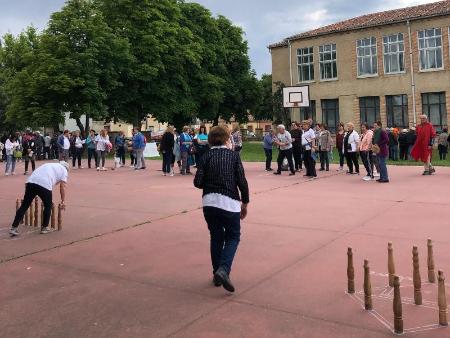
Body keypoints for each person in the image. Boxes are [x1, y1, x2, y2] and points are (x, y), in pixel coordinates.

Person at [193, 125, 249, 293]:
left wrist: (209, 181)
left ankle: (216, 274)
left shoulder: (206, 156)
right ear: (227, 139)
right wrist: (245, 203)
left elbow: (197, 182)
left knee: (216, 237)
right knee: (233, 236)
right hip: (229, 202)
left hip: (209, 202)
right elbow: (242, 181)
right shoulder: (233, 156)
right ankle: (224, 269)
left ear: (210, 140)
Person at [9, 161, 69, 236]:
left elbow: (35, 176)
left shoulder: (48, 164)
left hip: (30, 182)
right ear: (66, 168)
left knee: (24, 205)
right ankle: (44, 227)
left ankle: (13, 227)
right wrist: (63, 200)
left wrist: (31, 193)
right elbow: (62, 186)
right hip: (44, 184)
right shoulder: (64, 170)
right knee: (48, 205)